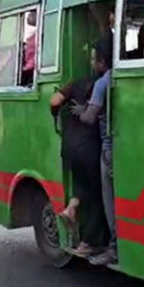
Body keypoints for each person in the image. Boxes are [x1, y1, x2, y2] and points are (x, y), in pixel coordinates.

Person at [49, 41, 110, 257]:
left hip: (70, 147)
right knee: (97, 197)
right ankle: (88, 243)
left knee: (82, 183)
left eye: (94, 58)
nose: (92, 62)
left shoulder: (76, 83)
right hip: (91, 147)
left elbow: (55, 100)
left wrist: (57, 111)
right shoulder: (102, 84)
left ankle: (70, 208)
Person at [69, 38, 117, 266]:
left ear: (102, 61)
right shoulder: (117, 77)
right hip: (121, 143)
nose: (91, 63)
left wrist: (80, 111)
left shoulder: (101, 83)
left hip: (108, 146)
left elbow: (90, 117)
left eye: (93, 58)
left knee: (109, 202)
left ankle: (113, 248)